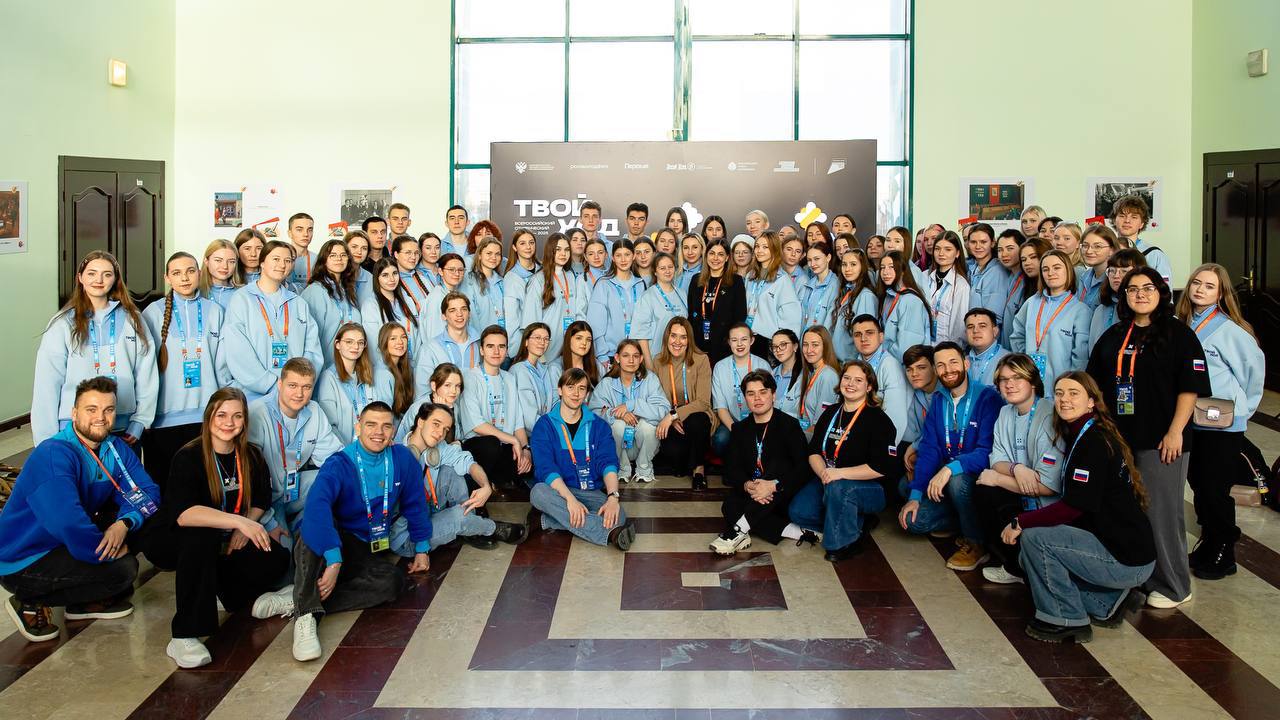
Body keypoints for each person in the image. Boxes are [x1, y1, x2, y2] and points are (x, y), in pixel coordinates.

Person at [1086, 267, 1210, 609]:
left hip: (1162, 441)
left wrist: (1175, 432)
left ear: (1161, 292)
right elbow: (1094, 385)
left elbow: (1190, 389)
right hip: (1120, 440)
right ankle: (1139, 576)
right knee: (1127, 511)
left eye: (1148, 288)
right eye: (1132, 289)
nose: (1140, 294)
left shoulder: (1178, 334)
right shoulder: (1114, 335)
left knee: (1161, 512)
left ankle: (1174, 586)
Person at [143, 388, 292, 668]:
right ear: (209, 417)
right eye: (221, 415)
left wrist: (246, 525)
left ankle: (223, 592)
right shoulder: (188, 456)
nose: (229, 422)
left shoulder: (251, 455)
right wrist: (240, 522)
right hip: (173, 537)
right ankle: (184, 635)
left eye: (237, 416)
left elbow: (260, 498)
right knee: (201, 536)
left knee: (276, 557)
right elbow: (185, 514)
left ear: (245, 421)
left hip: (225, 535)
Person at [0, 377, 155, 643]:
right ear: (74, 413)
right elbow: (66, 521)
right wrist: (105, 553)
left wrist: (124, 524)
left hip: (63, 543)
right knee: (123, 570)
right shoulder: (54, 453)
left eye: (108, 410)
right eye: (91, 409)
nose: (101, 418)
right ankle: (27, 599)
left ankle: (81, 603)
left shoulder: (115, 448)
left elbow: (147, 491)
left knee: (146, 527)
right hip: (24, 556)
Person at [1008, 372, 1154, 643]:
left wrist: (1022, 521)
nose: (1064, 399)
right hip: (1127, 552)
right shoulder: (1087, 433)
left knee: (1035, 540)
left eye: (1073, 393)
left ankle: (1067, 619)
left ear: (1091, 402)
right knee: (1027, 558)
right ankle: (1108, 601)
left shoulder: (1093, 442)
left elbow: (1073, 508)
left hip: (1126, 560)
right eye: (1059, 393)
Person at [291, 402, 433, 661]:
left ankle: (302, 598)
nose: (379, 432)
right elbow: (316, 506)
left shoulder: (402, 459)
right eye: (371, 425)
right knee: (311, 525)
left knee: (392, 583)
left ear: (393, 431)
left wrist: (422, 548)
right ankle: (306, 616)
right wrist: (334, 560)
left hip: (367, 546)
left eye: (386, 426)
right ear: (358, 427)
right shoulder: (339, 463)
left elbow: (415, 503)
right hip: (335, 540)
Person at [1176, 264, 1265, 580]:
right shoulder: (1181, 323)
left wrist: (1243, 409)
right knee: (1198, 483)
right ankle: (1209, 541)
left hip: (1222, 422)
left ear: (1221, 293)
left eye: (1209, 286)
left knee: (1216, 487)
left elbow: (1253, 374)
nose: (1200, 290)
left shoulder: (1231, 330)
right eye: (1196, 283)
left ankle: (1224, 549)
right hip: (1191, 418)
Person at [897, 342, 1004, 571]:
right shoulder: (939, 399)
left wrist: (949, 469)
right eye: (941, 365)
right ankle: (960, 520)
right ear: (936, 370)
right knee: (908, 496)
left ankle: (976, 542)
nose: (948, 370)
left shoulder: (988, 398)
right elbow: (930, 448)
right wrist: (915, 496)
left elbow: (987, 452)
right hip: (947, 474)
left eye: (953, 362)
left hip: (974, 477)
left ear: (966, 364)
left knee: (956, 482)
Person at [33, 250, 158, 446]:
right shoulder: (62, 323)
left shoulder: (132, 318)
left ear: (115, 279)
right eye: (91, 273)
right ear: (80, 278)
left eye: (107, 274)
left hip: (123, 429)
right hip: (75, 430)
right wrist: (46, 441)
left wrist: (140, 421)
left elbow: (146, 374)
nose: (99, 280)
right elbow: (47, 385)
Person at [790, 360, 903, 561]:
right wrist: (824, 473)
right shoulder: (831, 413)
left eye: (858, 380)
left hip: (869, 487)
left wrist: (839, 474)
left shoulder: (878, 420)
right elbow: (814, 451)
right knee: (798, 513)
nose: (850, 384)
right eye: (847, 378)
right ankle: (857, 520)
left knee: (839, 489)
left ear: (869, 387)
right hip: (829, 479)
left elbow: (882, 467)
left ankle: (842, 544)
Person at [972, 354, 1064, 585]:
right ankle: (1015, 565)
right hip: (1021, 493)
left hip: (1048, 505)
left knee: (991, 483)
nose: (1009, 384)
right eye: (1004, 380)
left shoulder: (1049, 414)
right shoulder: (1005, 413)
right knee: (983, 489)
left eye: (1017, 378)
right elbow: (997, 461)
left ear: (1032, 381)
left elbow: (1047, 486)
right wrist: (1017, 468)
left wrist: (998, 479)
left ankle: (1029, 563)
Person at [142, 252, 229, 488]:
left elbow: (222, 365)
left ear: (199, 273)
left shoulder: (215, 310)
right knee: (164, 487)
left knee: (204, 486)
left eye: (190, 271)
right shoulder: (152, 313)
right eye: (177, 273)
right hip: (163, 421)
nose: (185, 278)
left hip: (206, 417)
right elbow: (144, 369)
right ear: (167, 278)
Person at [528, 368, 636, 549]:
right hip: (558, 491)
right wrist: (570, 501)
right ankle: (612, 534)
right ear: (560, 390)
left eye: (581, 388)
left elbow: (608, 463)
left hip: (590, 491)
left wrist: (612, 497)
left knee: (619, 514)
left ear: (587, 393)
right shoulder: (544, 425)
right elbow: (546, 468)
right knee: (538, 493)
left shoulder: (599, 426)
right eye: (570, 387)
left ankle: (547, 519)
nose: (576, 393)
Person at [398, 402, 525, 552]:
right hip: (409, 535)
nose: (440, 433)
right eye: (436, 424)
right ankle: (490, 528)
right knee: (458, 516)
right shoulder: (396, 455)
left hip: (430, 509)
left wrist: (485, 486)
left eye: (445, 429)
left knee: (450, 470)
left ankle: (470, 525)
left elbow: (469, 463)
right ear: (420, 421)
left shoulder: (438, 447)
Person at [710, 371, 813, 554]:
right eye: (751, 394)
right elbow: (731, 469)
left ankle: (736, 532)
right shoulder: (740, 429)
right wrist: (747, 484)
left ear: (773, 395)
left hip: (782, 492)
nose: (757, 398)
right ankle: (798, 532)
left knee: (777, 467)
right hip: (755, 493)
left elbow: (803, 469)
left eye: (763, 392)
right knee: (729, 505)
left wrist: (774, 486)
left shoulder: (789, 425)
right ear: (745, 398)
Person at [247, 358, 345, 550]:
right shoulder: (257, 413)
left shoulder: (314, 410)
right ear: (280, 384)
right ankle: (292, 532)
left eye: (306, 387)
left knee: (334, 479)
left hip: (294, 487)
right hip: (264, 500)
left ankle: (304, 523)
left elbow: (334, 457)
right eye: (293, 385)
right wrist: (268, 522)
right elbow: (250, 479)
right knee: (285, 549)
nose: (299, 394)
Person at [224, 240, 323, 400]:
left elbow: (312, 349)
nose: (282, 265)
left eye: (288, 260)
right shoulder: (241, 299)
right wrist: (272, 384)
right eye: (276, 259)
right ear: (262, 262)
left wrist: (298, 385)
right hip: (254, 396)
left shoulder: (298, 303)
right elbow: (238, 352)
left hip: (294, 397)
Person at [457, 326, 532, 489]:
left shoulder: (509, 379)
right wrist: (513, 440)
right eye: (490, 346)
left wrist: (525, 449)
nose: (496, 351)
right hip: (479, 446)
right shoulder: (470, 378)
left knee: (529, 459)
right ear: (482, 350)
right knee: (492, 445)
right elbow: (477, 425)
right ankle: (483, 485)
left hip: (505, 445)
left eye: (501, 346)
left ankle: (502, 483)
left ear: (506, 350)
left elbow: (518, 423)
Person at [590, 340, 669, 483]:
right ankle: (621, 469)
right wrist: (617, 414)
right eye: (625, 355)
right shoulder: (607, 383)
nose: (631, 360)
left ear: (641, 359)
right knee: (617, 425)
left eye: (635, 356)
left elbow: (663, 411)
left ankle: (644, 469)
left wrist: (632, 405)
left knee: (647, 426)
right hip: (617, 446)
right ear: (617, 358)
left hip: (643, 444)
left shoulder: (650, 379)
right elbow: (594, 415)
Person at [1010, 250, 1091, 386]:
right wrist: (1025, 360)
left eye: (1056, 268)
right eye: (1045, 269)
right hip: (1029, 384)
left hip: (1060, 387)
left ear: (1068, 271)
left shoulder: (1081, 310)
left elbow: (1080, 358)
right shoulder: (1031, 302)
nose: (1050, 273)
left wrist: (1070, 384)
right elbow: (1017, 335)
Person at [653, 318, 715, 489]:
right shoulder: (658, 362)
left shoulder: (701, 360)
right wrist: (671, 418)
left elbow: (703, 402)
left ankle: (699, 470)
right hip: (670, 419)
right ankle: (685, 462)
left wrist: (674, 415)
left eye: (683, 337)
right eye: (673, 336)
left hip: (695, 415)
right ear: (667, 337)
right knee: (675, 456)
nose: (677, 342)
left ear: (689, 340)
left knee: (698, 421)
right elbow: (655, 398)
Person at [522, 233, 590, 359]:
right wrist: (538, 352)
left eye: (567, 250)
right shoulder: (538, 279)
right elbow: (531, 320)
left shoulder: (570, 276)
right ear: (550, 251)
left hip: (568, 344)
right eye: (558, 249)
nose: (563, 254)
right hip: (546, 347)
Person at [315, 323, 385, 443]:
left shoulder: (367, 376)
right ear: (337, 344)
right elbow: (330, 427)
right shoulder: (328, 378)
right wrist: (347, 451)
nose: (356, 347)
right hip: (343, 448)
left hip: (369, 446)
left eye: (360, 342)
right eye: (349, 342)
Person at [711, 324, 772, 456]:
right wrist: (737, 431)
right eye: (734, 340)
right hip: (731, 422)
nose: (739, 344)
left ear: (752, 340)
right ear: (729, 342)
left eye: (744, 339)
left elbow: (769, 403)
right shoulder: (720, 367)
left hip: (758, 420)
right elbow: (721, 408)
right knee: (720, 440)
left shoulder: (763, 365)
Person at [300, 239, 362, 371]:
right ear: (324, 260)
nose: (339, 259)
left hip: (349, 365)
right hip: (324, 368)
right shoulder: (315, 291)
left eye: (343, 255)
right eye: (333, 255)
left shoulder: (348, 290)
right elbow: (311, 339)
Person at [686, 238, 747, 366]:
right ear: (706, 256)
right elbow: (691, 314)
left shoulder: (736, 281)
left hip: (724, 347)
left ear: (727, 258)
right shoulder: (696, 280)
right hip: (698, 346)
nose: (715, 258)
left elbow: (740, 317)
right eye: (712, 253)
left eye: (720, 254)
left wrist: (730, 342)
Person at [851, 315, 910, 444]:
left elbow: (895, 419)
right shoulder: (854, 366)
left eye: (869, 333)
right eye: (857, 334)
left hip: (877, 442)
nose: (863, 339)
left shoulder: (890, 366)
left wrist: (885, 449)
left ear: (881, 337)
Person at [745, 231, 803, 359]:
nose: (759, 250)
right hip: (748, 337)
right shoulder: (750, 276)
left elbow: (790, 317)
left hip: (768, 340)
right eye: (757, 246)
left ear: (774, 249)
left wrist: (781, 343)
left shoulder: (782, 279)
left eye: (765, 247)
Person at [588, 239, 644, 366]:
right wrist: (602, 355)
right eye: (618, 255)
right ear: (613, 258)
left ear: (634, 256)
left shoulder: (640, 284)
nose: (623, 260)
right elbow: (595, 323)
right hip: (611, 355)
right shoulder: (603, 284)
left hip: (636, 354)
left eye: (627, 254)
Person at [416, 291, 482, 395]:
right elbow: (422, 393)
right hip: (442, 405)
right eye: (452, 310)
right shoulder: (429, 349)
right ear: (444, 316)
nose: (459, 314)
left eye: (463, 309)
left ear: (469, 314)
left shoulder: (480, 345)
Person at [361, 257, 422, 361]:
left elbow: (417, 336)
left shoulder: (407, 301)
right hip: (386, 364)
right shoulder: (371, 305)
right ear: (377, 278)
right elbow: (373, 344)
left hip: (412, 363)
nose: (392, 279)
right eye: (385, 275)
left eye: (395, 273)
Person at [633, 253, 689, 368]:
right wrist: (649, 364)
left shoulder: (682, 294)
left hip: (679, 356)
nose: (667, 271)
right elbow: (641, 335)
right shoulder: (648, 296)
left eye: (670, 267)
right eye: (662, 268)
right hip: (656, 358)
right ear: (655, 272)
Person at [1087, 249, 1147, 353]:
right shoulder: (1101, 310)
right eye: (1112, 270)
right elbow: (1093, 350)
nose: (1116, 276)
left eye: (1124, 271)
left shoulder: (1144, 309)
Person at [877, 251, 932, 361]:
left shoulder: (910, 300)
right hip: (888, 360)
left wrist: (883, 355)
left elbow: (905, 348)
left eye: (891, 267)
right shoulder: (889, 296)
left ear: (902, 270)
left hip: (901, 364)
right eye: (882, 268)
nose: (885, 272)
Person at [1110, 194, 1172, 286]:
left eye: (1134, 217)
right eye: (1122, 216)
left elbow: (1165, 290)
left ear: (1142, 224)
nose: (1127, 221)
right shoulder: (1106, 250)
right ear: (1114, 220)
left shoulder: (1155, 255)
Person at [829, 248, 878, 361]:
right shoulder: (848, 291)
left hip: (852, 361)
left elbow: (864, 336)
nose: (847, 269)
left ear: (862, 267)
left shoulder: (865, 296)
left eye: (853, 264)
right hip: (839, 360)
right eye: (844, 264)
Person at [1002, 237, 1051, 349]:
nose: (1027, 263)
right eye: (1023, 260)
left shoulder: (1053, 293)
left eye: (1033, 257)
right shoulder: (1023, 285)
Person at [925, 231, 971, 345]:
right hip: (924, 344)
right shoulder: (924, 277)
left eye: (948, 249)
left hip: (947, 346)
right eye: (937, 249)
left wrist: (953, 350)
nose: (941, 253)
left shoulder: (961, 285)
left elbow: (959, 325)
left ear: (957, 253)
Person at [397, 362, 462, 442]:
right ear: (434, 386)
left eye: (457, 386)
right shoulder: (419, 408)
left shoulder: (454, 406)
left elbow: (455, 439)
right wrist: (442, 411)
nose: (454, 391)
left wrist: (449, 409)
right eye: (447, 385)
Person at [510, 323, 555, 435]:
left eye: (546, 339)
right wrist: (553, 431)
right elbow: (529, 417)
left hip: (548, 429)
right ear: (526, 342)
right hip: (531, 434)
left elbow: (555, 401)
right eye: (537, 338)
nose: (542, 342)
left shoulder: (545, 369)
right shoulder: (519, 370)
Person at [966, 222, 1013, 325]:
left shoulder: (998, 272)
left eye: (983, 242)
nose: (978, 246)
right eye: (973, 242)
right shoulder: (972, 268)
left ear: (992, 243)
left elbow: (995, 318)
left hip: (984, 332)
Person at [502, 229, 541, 350]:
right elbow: (512, 319)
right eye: (522, 243)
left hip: (546, 337)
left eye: (531, 242)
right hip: (525, 342)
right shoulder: (512, 278)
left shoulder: (544, 271)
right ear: (514, 247)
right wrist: (516, 349)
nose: (528, 247)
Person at [796, 327, 840, 435]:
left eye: (815, 345)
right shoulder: (812, 372)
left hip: (814, 437)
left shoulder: (828, 375)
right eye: (805, 345)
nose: (809, 350)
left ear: (825, 346)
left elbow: (821, 424)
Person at [460, 236, 506, 335]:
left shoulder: (503, 282)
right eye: (489, 253)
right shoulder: (469, 280)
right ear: (480, 255)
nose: (493, 257)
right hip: (480, 337)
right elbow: (469, 316)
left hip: (504, 337)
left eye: (497, 254)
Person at [421, 253, 469, 340]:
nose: (457, 273)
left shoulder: (452, 294)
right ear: (440, 271)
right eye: (451, 270)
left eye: (460, 270)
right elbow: (434, 335)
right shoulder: (437, 298)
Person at [546, 321, 606, 391]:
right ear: (568, 339)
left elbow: (604, 394)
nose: (584, 343)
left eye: (588, 340)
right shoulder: (555, 368)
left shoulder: (598, 366)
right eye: (579, 338)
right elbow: (555, 397)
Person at [376, 324, 416, 422]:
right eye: (393, 338)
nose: (400, 342)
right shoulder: (383, 374)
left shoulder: (404, 368)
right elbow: (384, 416)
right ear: (384, 342)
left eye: (403, 337)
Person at [901, 344, 937, 449]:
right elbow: (909, 434)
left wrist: (915, 447)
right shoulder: (914, 393)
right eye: (909, 369)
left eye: (921, 368)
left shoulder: (948, 392)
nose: (914, 374)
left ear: (934, 368)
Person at [964, 308, 1009, 388]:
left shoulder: (1010, 360)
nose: (975, 331)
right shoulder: (961, 362)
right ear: (965, 333)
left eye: (982, 326)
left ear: (995, 331)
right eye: (970, 327)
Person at [1076, 224, 1118, 309]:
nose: (1089, 251)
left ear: (1112, 250)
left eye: (1097, 246)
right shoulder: (1084, 277)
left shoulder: (1116, 279)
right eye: (1085, 246)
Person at [799, 241, 837, 331]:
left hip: (822, 337)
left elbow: (830, 322)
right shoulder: (808, 284)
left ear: (828, 257)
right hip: (805, 337)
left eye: (817, 259)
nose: (812, 264)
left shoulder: (836, 285)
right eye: (809, 260)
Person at [770, 329, 804, 417]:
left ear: (795, 346)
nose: (778, 350)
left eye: (783, 345)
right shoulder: (771, 374)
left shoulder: (804, 376)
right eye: (774, 346)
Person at [200, 238, 240, 310]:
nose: (225, 266)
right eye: (218, 260)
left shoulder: (242, 293)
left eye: (231, 262)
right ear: (206, 261)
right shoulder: (196, 292)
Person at [284, 213, 317, 291]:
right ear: (289, 233)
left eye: (310, 230)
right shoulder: (278, 258)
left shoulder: (319, 259)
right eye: (299, 229)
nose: (306, 234)